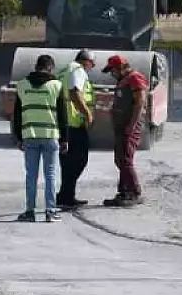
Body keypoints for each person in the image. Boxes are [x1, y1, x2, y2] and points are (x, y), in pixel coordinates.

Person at [14, 53, 64, 223]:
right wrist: (65, 139)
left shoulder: (22, 85)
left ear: (36, 67)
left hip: (30, 135)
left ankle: (29, 211)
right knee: (50, 174)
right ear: (50, 68)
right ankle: (50, 211)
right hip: (50, 135)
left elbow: (17, 114)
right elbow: (63, 115)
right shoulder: (56, 86)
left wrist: (18, 137)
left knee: (31, 175)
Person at [103, 54, 148, 207]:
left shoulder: (135, 78)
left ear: (120, 67)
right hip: (121, 126)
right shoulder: (124, 80)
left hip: (129, 126)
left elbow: (140, 102)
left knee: (126, 160)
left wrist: (132, 125)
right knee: (120, 159)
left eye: (112, 70)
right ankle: (124, 192)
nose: (112, 74)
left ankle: (135, 192)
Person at [55, 49, 96, 211]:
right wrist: (87, 114)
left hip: (61, 122)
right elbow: (74, 93)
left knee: (66, 162)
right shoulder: (78, 70)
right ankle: (66, 195)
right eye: (92, 64)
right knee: (80, 160)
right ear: (86, 61)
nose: (92, 67)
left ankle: (66, 196)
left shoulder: (64, 70)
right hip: (73, 123)